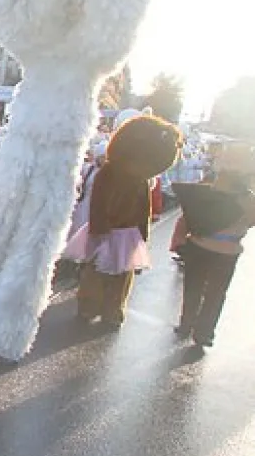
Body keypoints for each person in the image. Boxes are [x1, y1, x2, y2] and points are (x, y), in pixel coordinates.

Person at [64, 114, 183, 331]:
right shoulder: (107, 173)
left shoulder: (141, 181)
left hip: (127, 234)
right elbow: (97, 201)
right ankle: (89, 305)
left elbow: (143, 210)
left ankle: (113, 309)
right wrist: (99, 228)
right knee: (95, 271)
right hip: (105, 231)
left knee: (121, 275)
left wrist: (142, 236)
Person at [174, 143, 255, 347]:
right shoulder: (249, 198)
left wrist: (180, 238)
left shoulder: (208, 185)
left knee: (192, 287)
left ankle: (186, 324)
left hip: (198, 243)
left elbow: (188, 213)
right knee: (216, 293)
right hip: (228, 251)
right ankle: (204, 332)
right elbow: (252, 221)